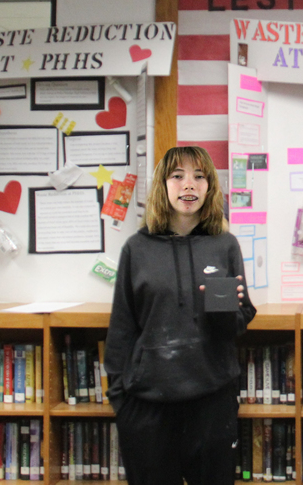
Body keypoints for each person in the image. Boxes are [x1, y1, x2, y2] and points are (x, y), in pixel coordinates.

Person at [104, 146, 256, 485]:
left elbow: (238, 322)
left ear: (210, 186)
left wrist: (228, 312)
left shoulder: (224, 244)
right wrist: (120, 401)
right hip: (148, 406)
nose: (189, 185)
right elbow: (122, 328)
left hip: (212, 402)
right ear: (163, 185)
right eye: (178, 176)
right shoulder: (136, 248)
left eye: (199, 177)